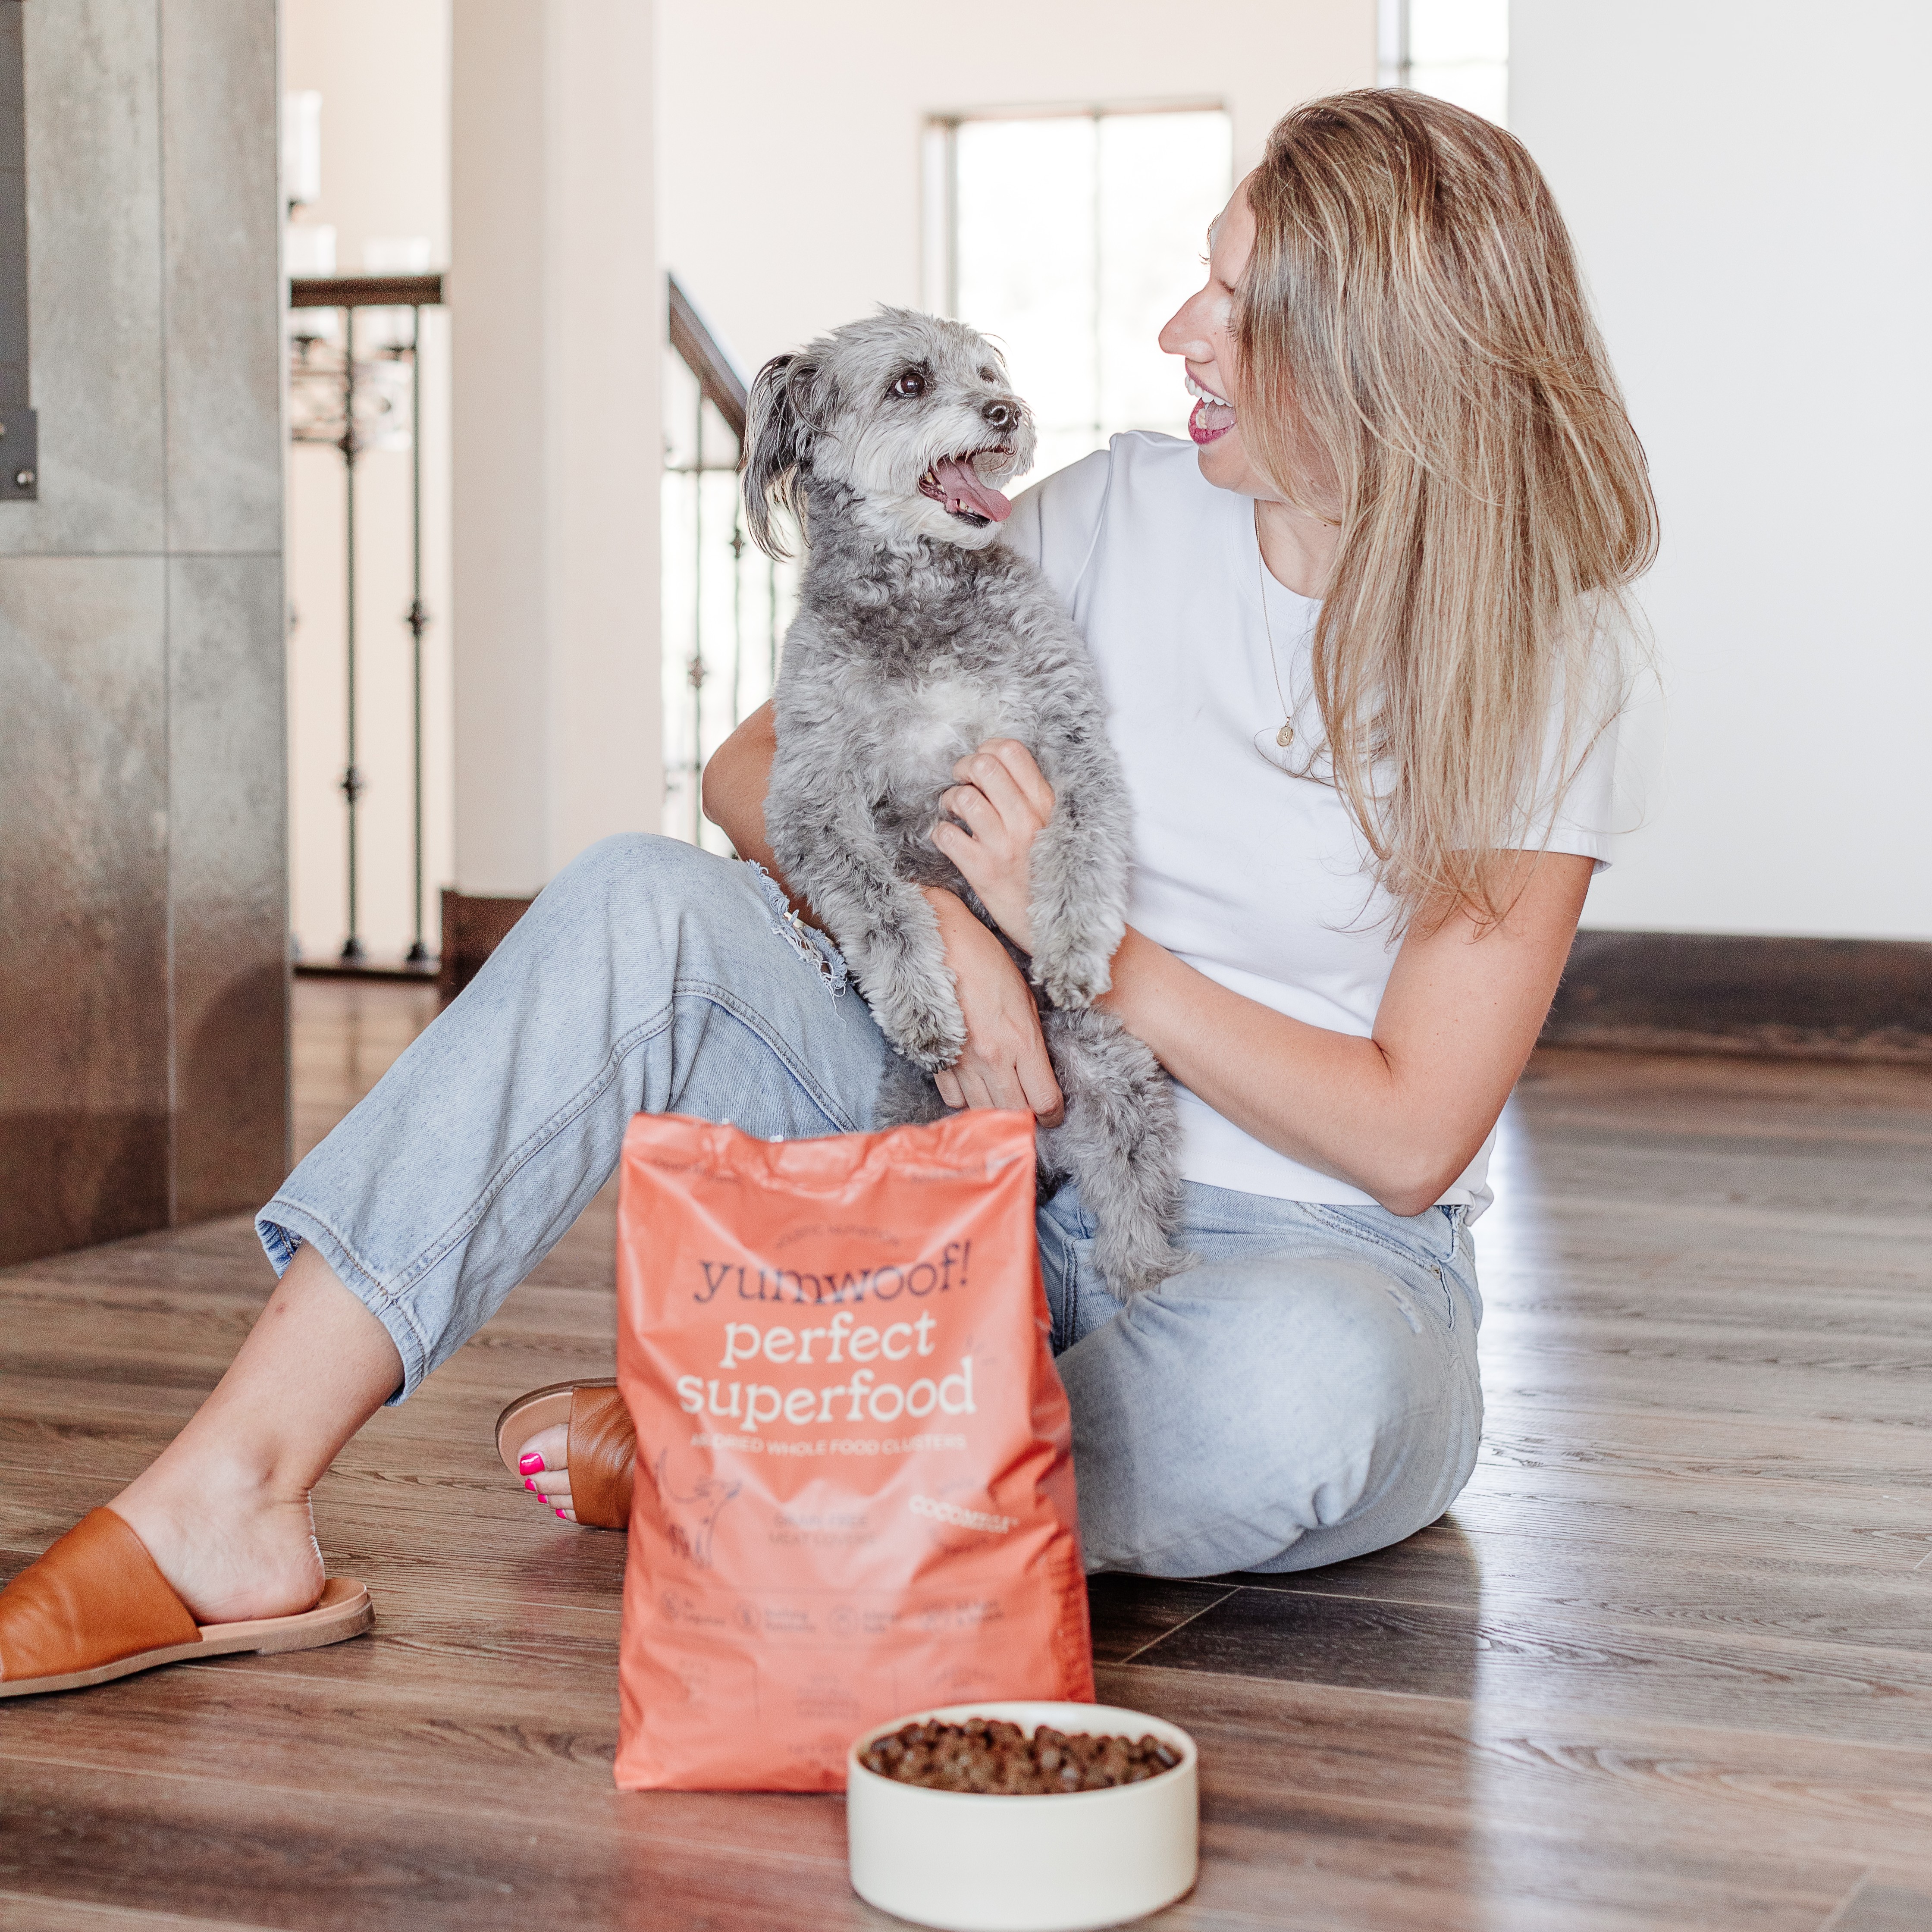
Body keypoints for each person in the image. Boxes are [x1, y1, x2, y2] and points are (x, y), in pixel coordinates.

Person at [0, 89, 1653, 1689]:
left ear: (1367, 351)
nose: (1177, 332)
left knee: (1301, 1405)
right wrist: (950, 929)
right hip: (972, 1163)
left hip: (1302, 1262)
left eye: (1234, 299)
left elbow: (1407, 1129)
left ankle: (751, 1443)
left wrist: (1082, 951)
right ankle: (230, 1497)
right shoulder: (1096, 524)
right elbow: (751, 772)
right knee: (645, 907)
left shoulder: (1548, 661)